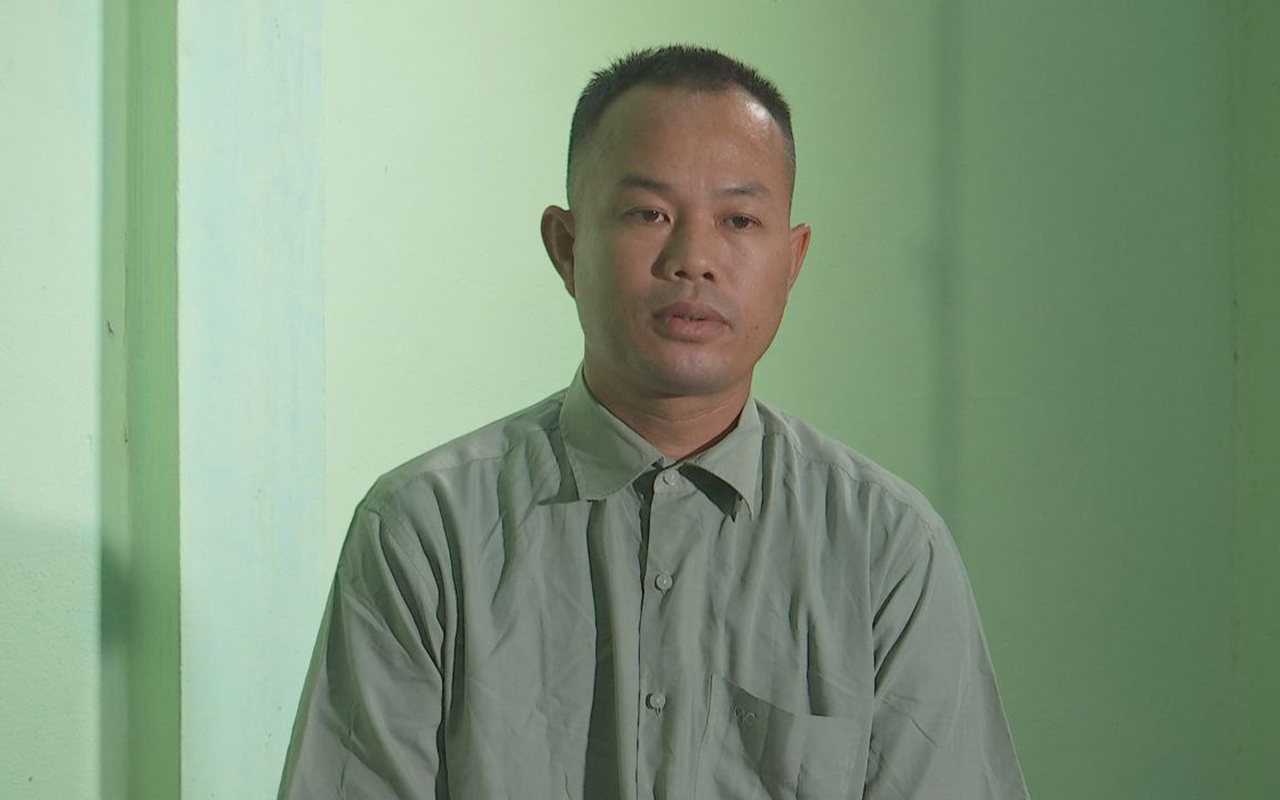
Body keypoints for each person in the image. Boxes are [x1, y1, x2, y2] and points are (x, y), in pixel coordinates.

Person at [279, 45, 1028, 800]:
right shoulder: (424, 533)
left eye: (739, 219)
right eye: (650, 213)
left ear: (792, 261)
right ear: (567, 247)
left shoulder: (886, 550)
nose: (694, 259)